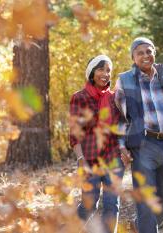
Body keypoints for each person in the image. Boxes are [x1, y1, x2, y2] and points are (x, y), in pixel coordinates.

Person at [115, 37, 163, 233]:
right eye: (140, 52)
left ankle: (139, 227)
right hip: (142, 145)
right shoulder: (124, 80)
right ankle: (146, 227)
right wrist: (121, 145)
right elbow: (119, 117)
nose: (145, 56)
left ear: (154, 53)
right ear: (133, 57)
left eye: (149, 51)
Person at [69, 55, 124, 233]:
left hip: (113, 159)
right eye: (101, 69)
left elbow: (122, 127)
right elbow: (75, 133)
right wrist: (80, 158)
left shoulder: (115, 97)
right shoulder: (79, 97)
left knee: (111, 205)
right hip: (90, 160)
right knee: (89, 206)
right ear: (92, 72)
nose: (105, 74)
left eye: (108, 70)